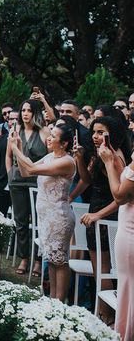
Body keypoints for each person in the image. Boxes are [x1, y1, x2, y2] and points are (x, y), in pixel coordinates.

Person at [10, 123, 76, 301]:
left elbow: (31, 169)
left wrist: (15, 149)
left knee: (60, 261)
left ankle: (59, 303)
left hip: (59, 218)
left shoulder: (67, 162)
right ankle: (52, 299)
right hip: (46, 218)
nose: (49, 137)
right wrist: (21, 147)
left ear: (64, 143)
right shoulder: (50, 157)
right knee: (52, 262)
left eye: (53, 136)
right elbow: (25, 172)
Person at [70, 116, 123, 322]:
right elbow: (87, 179)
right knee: (98, 271)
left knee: (103, 271)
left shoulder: (115, 157)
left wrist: (98, 215)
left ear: (112, 134)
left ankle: (105, 318)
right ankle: (102, 315)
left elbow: (122, 197)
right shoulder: (98, 154)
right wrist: (79, 158)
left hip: (106, 217)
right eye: (94, 131)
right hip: (94, 214)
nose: (95, 136)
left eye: (101, 132)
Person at [7, 98, 50, 277]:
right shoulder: (15, 130)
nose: (25, 113)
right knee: (21, 221)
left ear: (35, 113)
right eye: (23, 110)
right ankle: (24, 258)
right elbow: (9, 155)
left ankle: (38, 260)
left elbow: (51, 157)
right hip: (17, 181)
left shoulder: (45, 132)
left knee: (39, 222)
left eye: (29, 110)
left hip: (37, 181)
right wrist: (10, 174)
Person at [99, 134, 134, 340]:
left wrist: (108, 163)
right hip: (127, 228)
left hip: (130, 233)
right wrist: (114, 159)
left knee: (129, 287)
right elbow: (127, 182)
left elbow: (120, 196)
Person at [0, 110, 19, 215]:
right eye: (11, 119)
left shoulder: (25, 139)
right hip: (0, 184)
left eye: (16, 119)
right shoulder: (1, 139)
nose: (14, 121)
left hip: (19, 185)